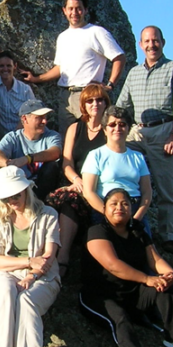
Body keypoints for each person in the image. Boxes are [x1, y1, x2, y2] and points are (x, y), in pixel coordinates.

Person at [82, 189, 173, 347]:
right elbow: (113, 265)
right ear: (104, 208)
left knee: (164, 289)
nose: (120, 207)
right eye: (114, 204)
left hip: (132, 293)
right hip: (100, 295)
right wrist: (147, 279)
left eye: (125, 203)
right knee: (118, 317)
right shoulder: (96, 231)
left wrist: (169, 274)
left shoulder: (137, 231)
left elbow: (154, 259)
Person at [116, 26, 173, 247]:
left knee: (168, 188)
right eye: (147, 41)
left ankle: (170, 238)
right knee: (122, 174)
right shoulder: (134, 73)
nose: (151, 45)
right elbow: (122, 106)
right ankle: (126, 225)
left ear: (163, 42)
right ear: (141, 45)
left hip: (166, 130)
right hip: (137, 131)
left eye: (155, 41)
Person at [0, 166, 61, 347]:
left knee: (27, 300)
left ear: (27, 191)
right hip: (8, 272)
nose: (12, 200)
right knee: (5, 294)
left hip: (44, 275)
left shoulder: (48, 214)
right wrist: (29, 262)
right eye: (8, 197)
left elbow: (49, 255)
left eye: (16, 194)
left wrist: (32, 274)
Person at [22, 0, 126, 132]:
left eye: (78, 8)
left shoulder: (96, 32)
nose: (74, 12)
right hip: (66, 96)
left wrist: (110, 85)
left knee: (93, 135)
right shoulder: (63, 37)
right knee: (67, 140)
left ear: (85, 10)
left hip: (89, 95)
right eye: (70, 8)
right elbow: (60, 68)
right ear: (64, 11)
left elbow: (119, 57)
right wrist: (37, 78)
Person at [46, 85, 111, 276]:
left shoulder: (109, 130)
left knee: (71, 201)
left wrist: (89, 184)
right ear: (83, 104)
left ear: (106, 103)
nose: (95, 104)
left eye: (100, 100)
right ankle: (57, 256)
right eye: (90, 100)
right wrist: (76, 179)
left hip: (100, 185)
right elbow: (66, 161)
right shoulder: (75, 128)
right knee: (66, 201)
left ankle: (63, 257)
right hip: (77, 183)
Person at [82, 107, 152, 230]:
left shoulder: (137, 157)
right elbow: (89, 192)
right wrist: (110, 214)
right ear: (104, 129)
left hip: (133, 208)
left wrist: (136, 218)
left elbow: (147, 192)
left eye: (122, 124)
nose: (117, 128)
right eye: (112, 124)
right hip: (104, 208)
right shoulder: (96, 155)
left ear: (128, 128)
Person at [0, 99, 62, 199]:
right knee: (0, 169)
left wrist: (27, 159)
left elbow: (55, 152)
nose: (45, 121)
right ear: (25, 119)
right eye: (39, 118)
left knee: (51, 166)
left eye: (45, 117)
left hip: (42, 187)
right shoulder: (13, 137)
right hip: (18, 186)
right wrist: (10, 165)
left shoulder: (52, 135)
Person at [0, 51, 36, 133]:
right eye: (1, 66)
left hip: (21, 133)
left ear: (15, 66)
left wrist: (15, 136)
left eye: (8, 65)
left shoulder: (25, 89)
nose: (5, 69)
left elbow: (32, 113)